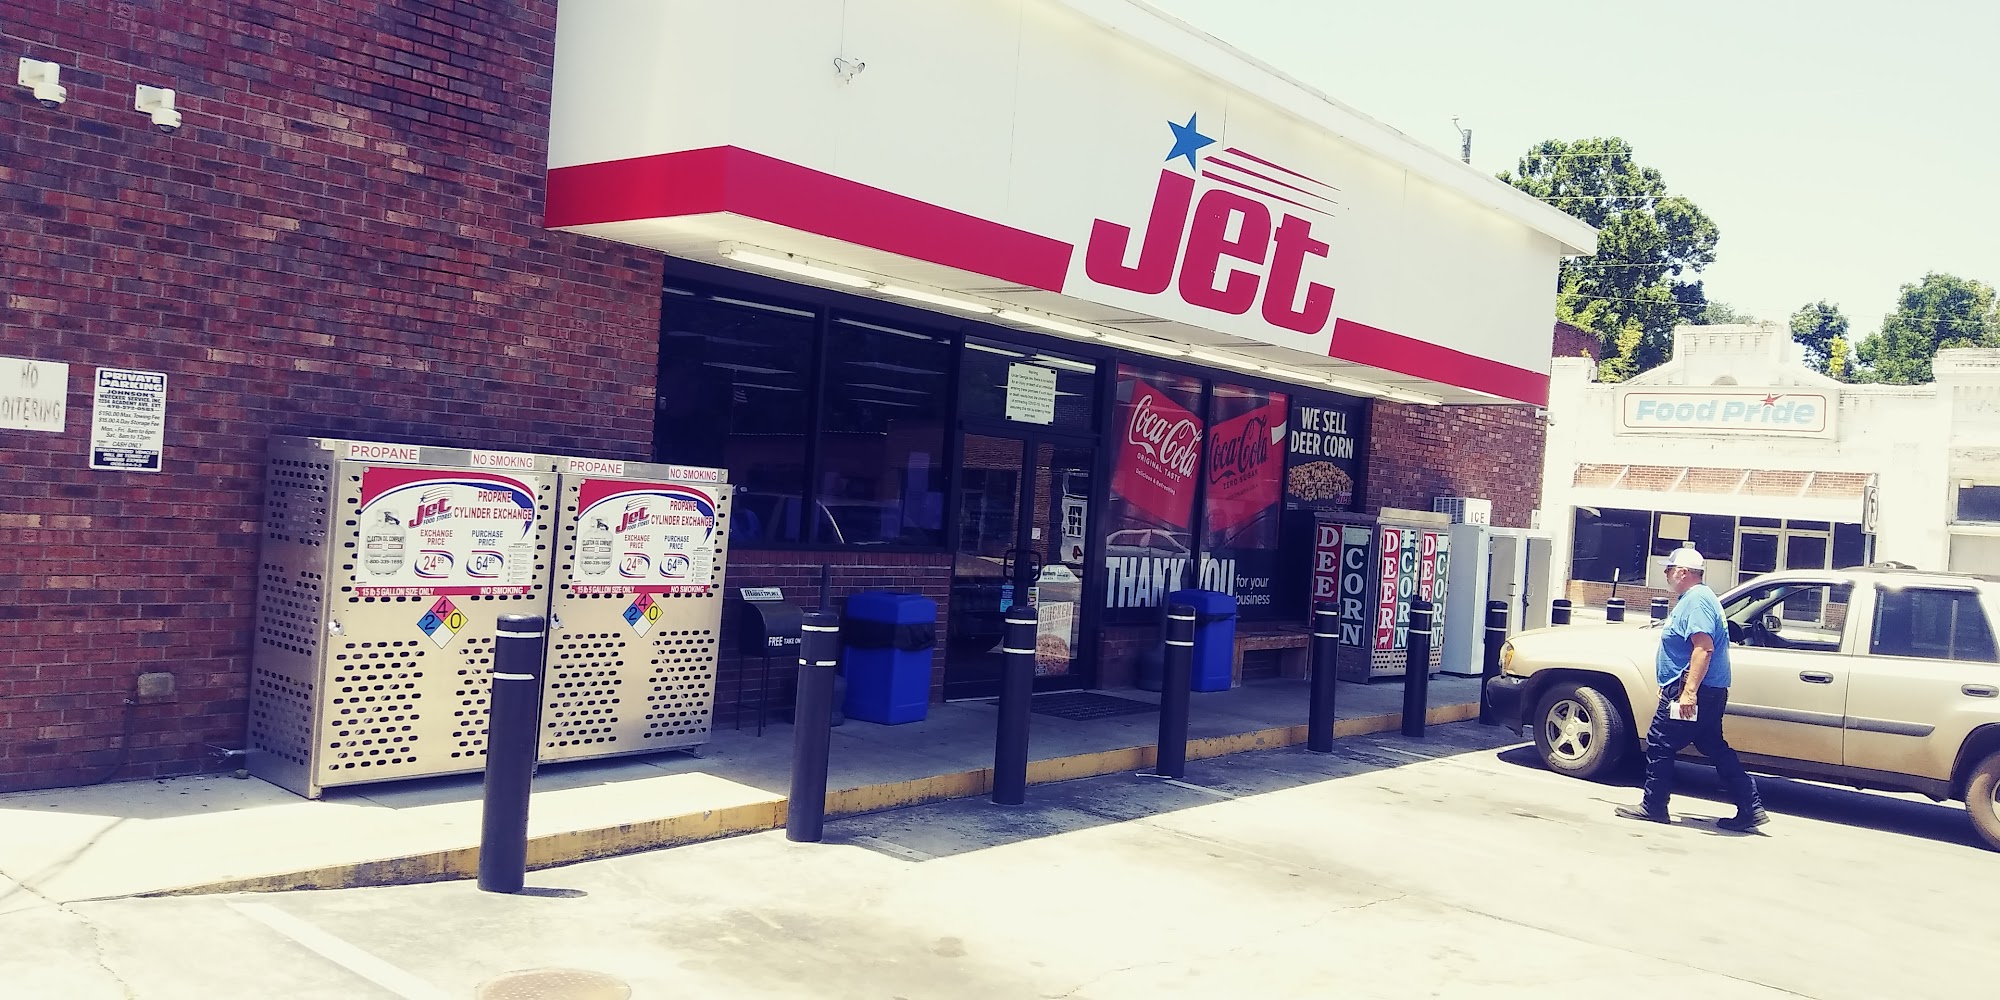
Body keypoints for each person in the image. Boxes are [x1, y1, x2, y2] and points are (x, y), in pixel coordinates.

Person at [1616, 546, 1768, 831]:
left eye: (1669, 569)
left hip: (1696, 690)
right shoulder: (1699, 597)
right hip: (1705, 689)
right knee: (1712, 744)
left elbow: (1703, 648)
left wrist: (1688, 692)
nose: (1666, 574)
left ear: (1683, 572)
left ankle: (1654, 805)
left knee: (1660, 742)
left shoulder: (1696, 601)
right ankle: (1750, 805)